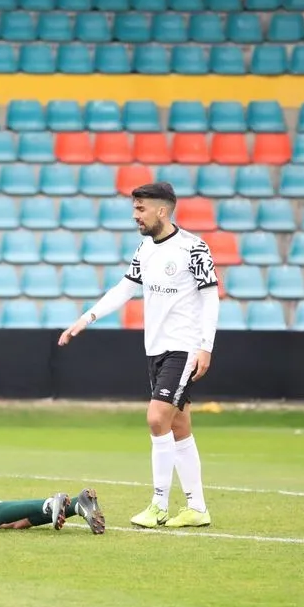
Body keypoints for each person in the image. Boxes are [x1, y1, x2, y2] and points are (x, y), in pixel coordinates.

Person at [58, 182, 218, 530]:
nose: (135, 215)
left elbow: (210, 296)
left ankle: (159, 505)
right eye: (134, 208)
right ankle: (197, 508)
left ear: (162, 210)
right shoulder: (145, 249)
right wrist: (87, 318)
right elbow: (124, 289)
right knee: (178, 425)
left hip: (183, 347)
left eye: (140, 209)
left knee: (156, 418)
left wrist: (206, 345)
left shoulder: (193, 248)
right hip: (155, 348)